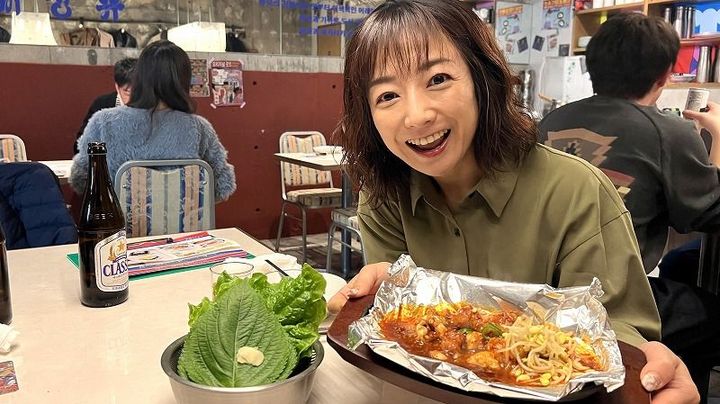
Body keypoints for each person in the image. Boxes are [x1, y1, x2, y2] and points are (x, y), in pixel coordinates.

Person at [327, 1, 699, 403]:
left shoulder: (576, 192)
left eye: (438, 79)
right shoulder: (383, 194)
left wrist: (645, 367)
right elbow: (393, 327)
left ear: (482, 78)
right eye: (387, 96)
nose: (416, 116)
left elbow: (617, 338)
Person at [538, 13, 720, 401]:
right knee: (711, 317)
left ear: (591, 66)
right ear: (665, 74)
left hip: (538, 288)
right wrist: (718, 136)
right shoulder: (668, 131)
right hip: (607, 300)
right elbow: (707, 212)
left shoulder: (552, 120)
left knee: (679, 270)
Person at [69, 40, 236, 202]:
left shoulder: (103, 122)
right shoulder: (199, 128)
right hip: (184, 221)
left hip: (118, 221)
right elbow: (222, 187)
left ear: (139, 76)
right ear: (183, 80)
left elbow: (80, 180)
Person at [73, 57, 137, 154]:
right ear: (117, 87)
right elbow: (79, 145)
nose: (133, 98)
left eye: (137, 91)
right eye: (127, 92)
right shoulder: (102, 105)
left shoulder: (150, 105)